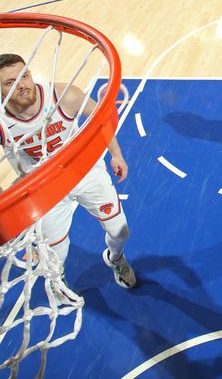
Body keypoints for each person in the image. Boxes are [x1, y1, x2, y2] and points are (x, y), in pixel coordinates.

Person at [0, 53, 136, 296]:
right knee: (56, 252)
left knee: (120, 230)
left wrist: (117, 154)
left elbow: (101, 119)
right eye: (11, 82)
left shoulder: (64, 96)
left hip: (84, 170)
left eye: (24, 76)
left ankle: (116, 258)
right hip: (44, 189)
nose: (22, 85)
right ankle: (57, 277)